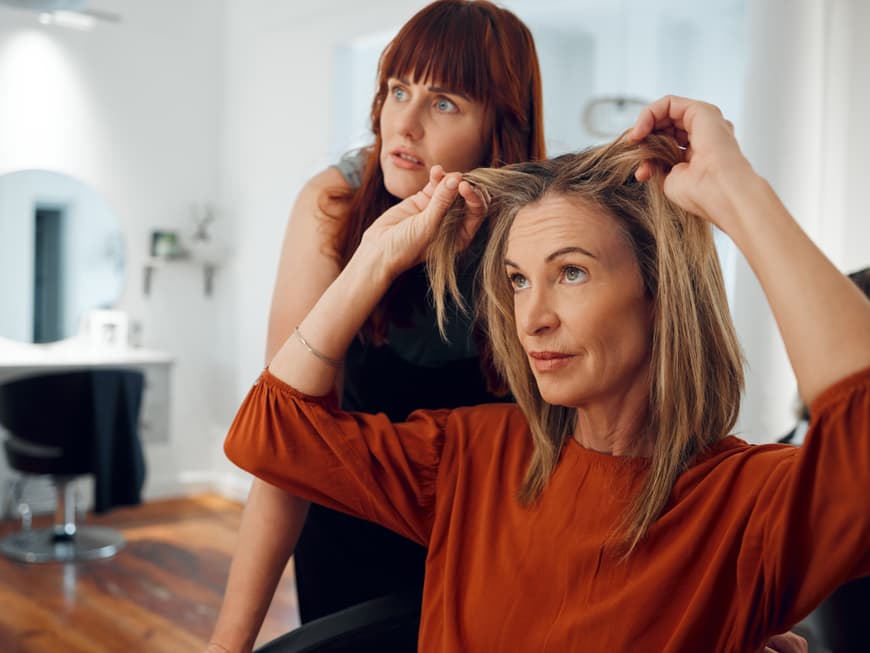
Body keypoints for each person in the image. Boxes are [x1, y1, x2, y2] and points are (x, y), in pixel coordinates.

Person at [223, 95, 866, 650]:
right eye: (517, 280)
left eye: (571, 272)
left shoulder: (748, 507)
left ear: (661, 294)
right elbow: (268, 433)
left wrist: (740, 197)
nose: (531, 319)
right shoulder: (472, 457)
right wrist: (374, 260)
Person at [208, 2, 545, 651]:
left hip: (488, 530)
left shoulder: (535, 226)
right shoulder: (334, 203)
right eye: (397, 90)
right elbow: (283, 440)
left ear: (501, 126)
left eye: (443, 102)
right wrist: (229, 642)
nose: (404, 124)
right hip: (347, 520)